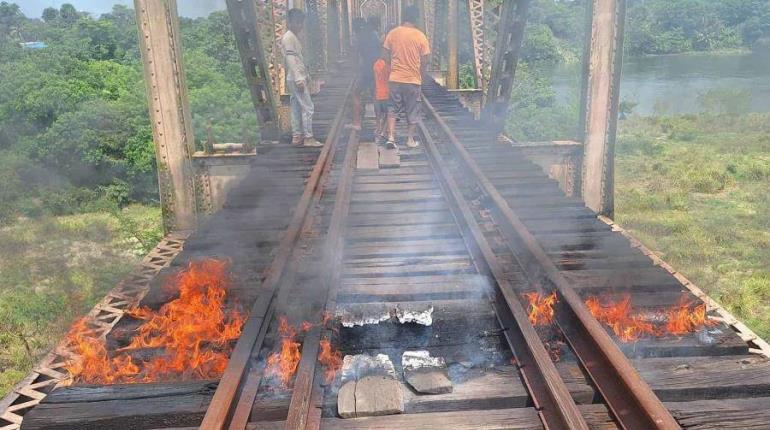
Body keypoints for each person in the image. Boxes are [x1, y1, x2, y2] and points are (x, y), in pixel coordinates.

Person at [383, 6, 430, 150]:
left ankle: (391, 137)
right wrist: (420, 73)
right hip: (412, 80)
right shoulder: (420, 36)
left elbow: (384, 55)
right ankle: (410, 139)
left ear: (403, 18)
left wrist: (394, 66)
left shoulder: (393, 33)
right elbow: (425, 60)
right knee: (413, 109)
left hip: (395, 78)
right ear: (415, 19)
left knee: (392, 108)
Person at [281, 8, 322, 147]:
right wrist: (299, 78)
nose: (300, 26)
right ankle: (308, 138)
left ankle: (297, 136)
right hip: (295, 78)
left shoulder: (291, 36)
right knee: (308, 107)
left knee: (296, 107)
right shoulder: (289, 37)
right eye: (297, 23)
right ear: (290, 22)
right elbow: (291, 59)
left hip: (293, 77)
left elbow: (298, 59)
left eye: (301, 23)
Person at [347, 17, 382, 132]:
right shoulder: (375, 35)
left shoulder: (359, 38)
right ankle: (378, 125)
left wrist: (355, 70)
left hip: (365, 69)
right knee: (375, 96)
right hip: (376, 69)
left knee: (356, 93)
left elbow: (355, 55)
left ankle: (356, 122)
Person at [372, 49, 391, 145]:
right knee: (388, 114)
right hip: (387, 94)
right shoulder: (389, 66)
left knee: (378, 115)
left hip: (378, 94)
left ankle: (378, 132)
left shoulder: (376, 64)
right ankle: (383, 132)